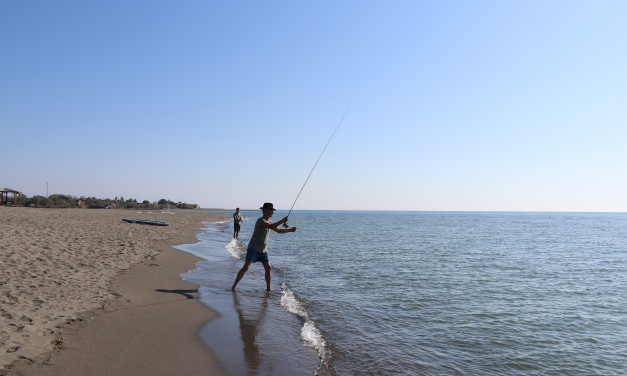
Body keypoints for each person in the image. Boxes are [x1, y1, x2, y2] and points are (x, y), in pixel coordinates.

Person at [231, 203, 296, 291]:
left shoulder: (270, 222)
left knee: (268, 268)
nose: (272, 212)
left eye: (272, 210)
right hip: (253, 248)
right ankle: (234, 286)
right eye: (270, 210)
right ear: (265, 211)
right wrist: (282, 220)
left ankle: (268, 288)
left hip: (263, 250)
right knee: (246, 267)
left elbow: (278, 230)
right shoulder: (260, 221)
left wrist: (290, 230)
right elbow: (271, 226)